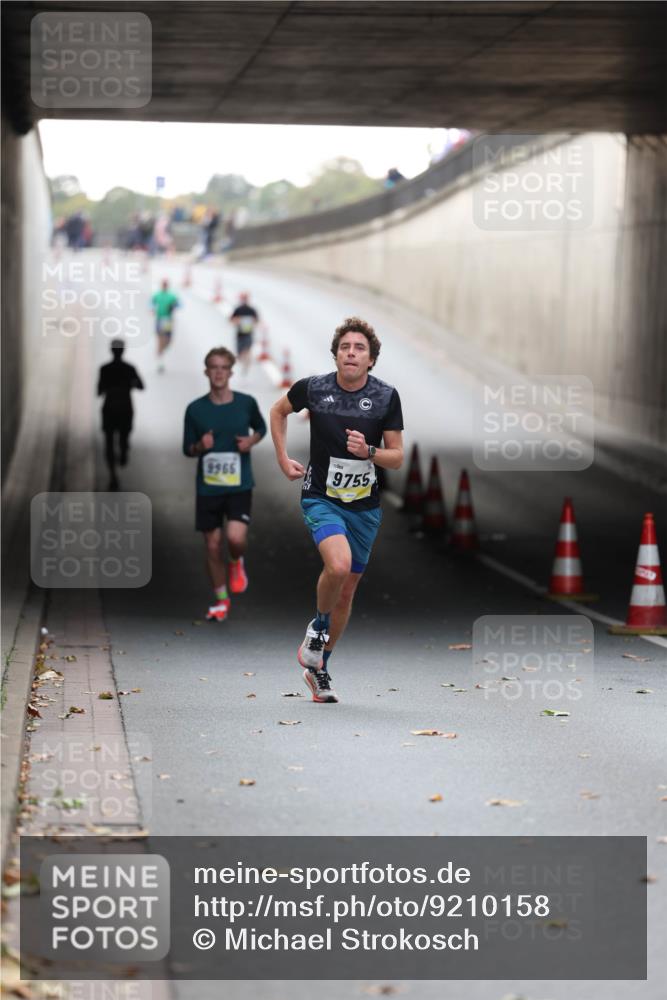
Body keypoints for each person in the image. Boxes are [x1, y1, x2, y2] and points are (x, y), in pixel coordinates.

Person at [270, 317, 404, 703]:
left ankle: (319, 667)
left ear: (371, 360)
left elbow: (396, 458)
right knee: (339, 565)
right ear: (335, 355)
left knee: (346, 593)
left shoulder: (386, 397)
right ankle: (318, 627)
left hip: (365, 508)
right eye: (345, 347)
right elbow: (278, 411)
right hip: (321, 497)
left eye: (359, 348)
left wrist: (371, 452)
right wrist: (282, 458)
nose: (351, 353)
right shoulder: (314, 388)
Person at [183, 347, 267, 622]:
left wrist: (250, 442)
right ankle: (221, 600)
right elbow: (188, 449)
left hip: (239, 484)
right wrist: (200, 445)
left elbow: (261, 428)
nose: (218, 372)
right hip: (208, 487)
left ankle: (236, 561)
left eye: (223, 368)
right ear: (206, 371)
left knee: (234, 538)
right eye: (213, 367)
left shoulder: (246, 403)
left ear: (231, 372)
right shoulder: (195, 409)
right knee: (211, 545)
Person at [97, 339, 144, 490]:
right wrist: (130, 384)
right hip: (125, 408)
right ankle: (124, 449)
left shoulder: (104, 369)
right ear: (123, 350)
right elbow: (142, 386)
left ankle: (113, 476)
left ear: (111, 350)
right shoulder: (129, 368)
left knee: (109, 442)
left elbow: (99, 391)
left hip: (109, 408)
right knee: (124, 435)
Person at [151, 278, 180, 373]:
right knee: (160, 340)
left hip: (168, 321)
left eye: (165, 284)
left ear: (167, 285)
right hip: (159, 320)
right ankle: (160, 363)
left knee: (168, 341)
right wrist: (152, 309)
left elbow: (180, 305)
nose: (164, 286)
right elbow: (150, 304)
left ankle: (160, 352)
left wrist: (174, 306)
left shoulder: (171, 296)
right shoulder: (157, 295)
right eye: (163, 284)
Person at [229, 292, 260, 375]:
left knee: (247, 351)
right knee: (240, 355)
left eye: (245, 298)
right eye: (243, 298)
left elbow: (257, 320)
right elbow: (231, 320)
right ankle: (244, 364)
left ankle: (246, 367)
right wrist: (238, 321)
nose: (244, 300)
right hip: (239, 335)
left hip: (248, 335)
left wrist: (252, 322)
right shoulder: (238, 309)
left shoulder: (251, 310)